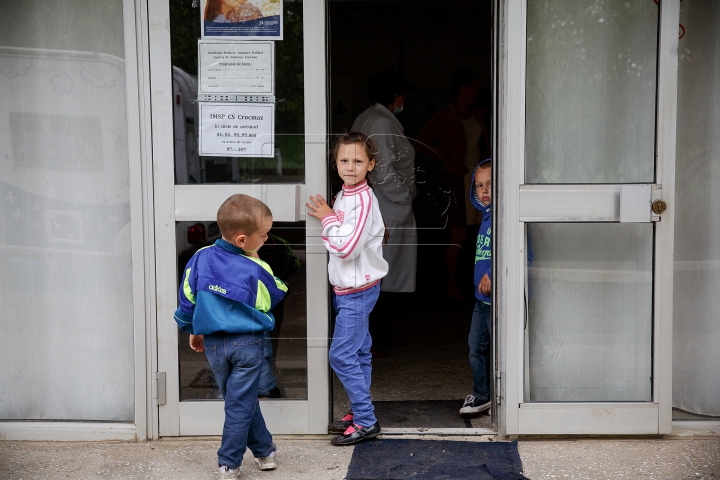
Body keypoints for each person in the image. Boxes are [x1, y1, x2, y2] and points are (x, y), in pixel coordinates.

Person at [174, 194, 288, 478]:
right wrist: (260, 264)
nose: (266, 239)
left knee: (240, 399)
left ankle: (265, 451)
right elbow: (271, 297)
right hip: (248, 343)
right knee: (240, 402)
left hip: (213, 344)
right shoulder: (255, 267)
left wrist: (193, 329)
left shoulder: (199, 258)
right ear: (242, 240)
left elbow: (187, 299)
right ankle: (228, 462)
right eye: (262, 235)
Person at [306, 132, 388, 446]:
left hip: (357, 290)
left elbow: (347, 247)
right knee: (359, 351)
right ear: (335, 162)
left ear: (371, 164)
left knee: (341, 355)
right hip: (349, 289)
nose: (350, 167)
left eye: (357, 161)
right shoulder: (345, 195)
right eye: (344, 160)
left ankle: (366, 421)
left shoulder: (363, 199)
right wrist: (332, 214)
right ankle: (358, 411)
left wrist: (327, 218)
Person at [459, 160, 532, 416]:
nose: (484, 190)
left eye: (490, 184)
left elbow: (518, 252)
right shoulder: (486, 218)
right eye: (479, 186)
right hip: (483, 300)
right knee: (476, 348)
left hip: (502, 299)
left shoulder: (507, 218)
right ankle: (483, 396)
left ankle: (509, 399)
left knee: (502, 350)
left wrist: (492, 274)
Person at [352, 70, 416, 352]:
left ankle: (380, 335)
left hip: (380, 205)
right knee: (380, 276)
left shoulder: (368, 117)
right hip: (386, 205)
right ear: (397, 96)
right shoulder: (379, 121)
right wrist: (404, 196)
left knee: (378, 274)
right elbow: (383, 171)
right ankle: (379, 337)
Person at [415, 70, 490, 300]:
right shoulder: (444, 115)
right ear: (463, 89)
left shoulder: (478, 113)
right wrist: (444, 155)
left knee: (480, 234)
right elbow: (420, 142)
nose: (478, 94)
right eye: (475, 89)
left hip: (479, 180)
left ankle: (479, 280)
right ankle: (450, 285)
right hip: (456, 180)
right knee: (458, 235)